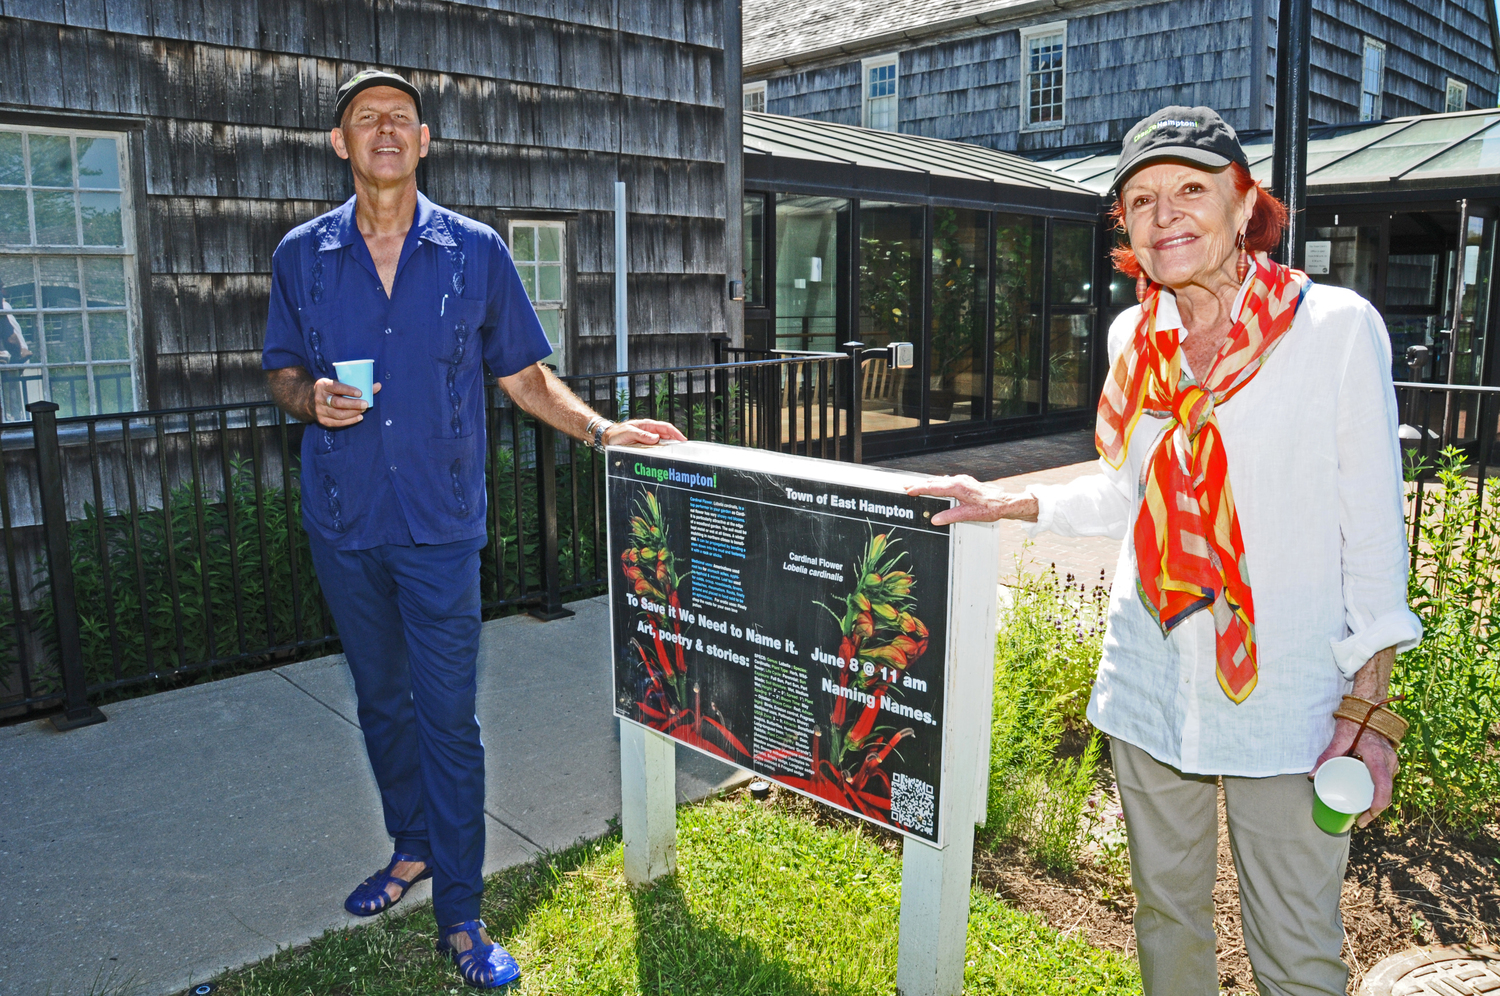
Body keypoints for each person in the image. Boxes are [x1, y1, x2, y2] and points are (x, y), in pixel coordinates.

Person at [908, 106, 1421, 996]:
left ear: (1242, 202)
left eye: (1191, 188)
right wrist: (1010, 499)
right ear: (1126, 229)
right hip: (1150, 680)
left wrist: (1366, 707)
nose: (1166, 213)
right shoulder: (1133, 341)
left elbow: (1374, 529)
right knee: (1165, 923)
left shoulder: (1334, 328)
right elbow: (1126, 489)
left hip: (1289, 696)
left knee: (1297, 948)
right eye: (1140, 199)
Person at [261, 69, 684, 989]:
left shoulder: (474, 251)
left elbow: (526, 377)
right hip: (344, 519)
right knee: (381, 700)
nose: (383, 131)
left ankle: (460, 908)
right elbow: (281, 370)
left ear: (424, 143)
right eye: (365, 120)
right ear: (340, 145)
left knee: (448, 717)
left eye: (400, 121)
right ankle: (409, 846)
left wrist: (603, 429)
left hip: (441, 526)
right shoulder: (301, 255)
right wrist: (309, 400)